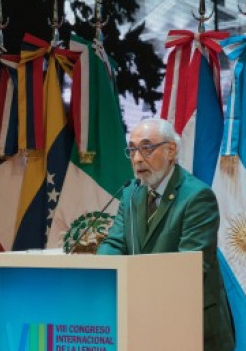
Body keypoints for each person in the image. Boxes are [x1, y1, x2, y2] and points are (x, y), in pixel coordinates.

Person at [97, 118, 235, 351]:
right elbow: (115, 242)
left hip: (193, 326)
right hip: (145, 322)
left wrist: (136, 287)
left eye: (147, 148)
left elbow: (189, 266)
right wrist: (99, 276)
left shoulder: (197, 197)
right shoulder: (132, 193)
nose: (137, 158)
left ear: (171, 151)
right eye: (132, 150)